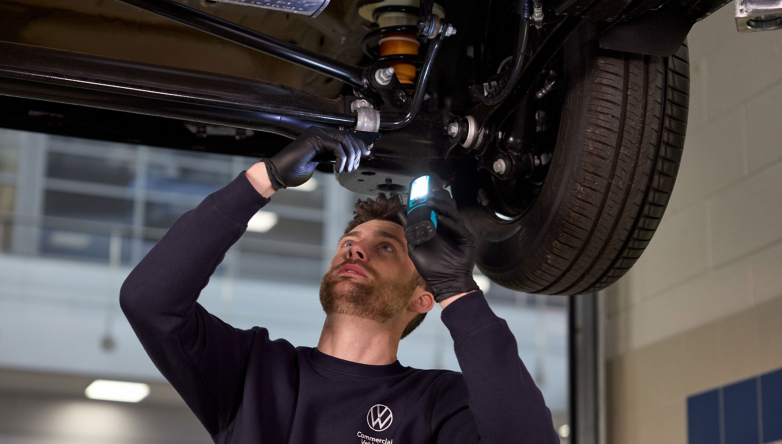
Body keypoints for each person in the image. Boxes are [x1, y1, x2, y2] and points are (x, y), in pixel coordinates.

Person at [120, 127, 559, 444]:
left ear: (424, 296)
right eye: (350, 242)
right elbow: (149, 301)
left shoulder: (438, 402)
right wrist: (262, 179)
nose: (355, 250)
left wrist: (459, 292)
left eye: (386, 247)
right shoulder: (255, 373)